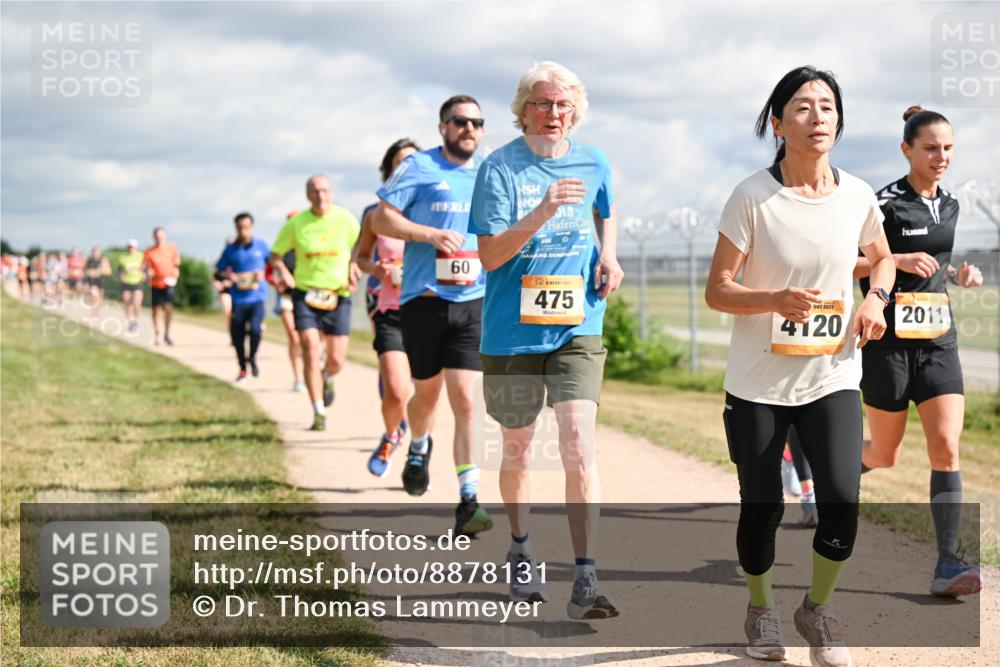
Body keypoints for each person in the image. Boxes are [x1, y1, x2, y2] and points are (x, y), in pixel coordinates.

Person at [704, 66, 895, 666]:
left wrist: (875, 298)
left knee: (842, 497)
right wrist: (772, 300)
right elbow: (718, 290)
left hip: (833, 375)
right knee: (762, 506)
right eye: (804, 107)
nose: (818, 118)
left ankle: (817, 608)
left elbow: (882, 259)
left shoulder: (859, 194)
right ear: (778, 122)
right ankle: (761, 610)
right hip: (758, 384)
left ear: (839, 120)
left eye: (828, 107)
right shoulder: (752, 196)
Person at [470, 61, 625, 619]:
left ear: (575, 109)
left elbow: (605, 209)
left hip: (577, 324)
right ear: (523, 109)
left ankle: (586, 576)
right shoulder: (499, 169)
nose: (553, 113)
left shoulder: (595, 159)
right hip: (511, 334)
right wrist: (542, 210)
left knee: (579, 441)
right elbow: (489, 256)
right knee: (517, 448)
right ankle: (520, 544)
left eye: (563, 104)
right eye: (542, 103)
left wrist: (609, 255)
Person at [857, 106, 984, 599]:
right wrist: (892, 260)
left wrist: (958, 276)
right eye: (931, 147)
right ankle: (826, 475)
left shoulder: (950, 204)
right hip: (888, 346)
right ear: (907, 149)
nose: (941, 157)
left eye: (948, 148)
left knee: (946, 447)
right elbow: (850, 264)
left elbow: (936, 267)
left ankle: (947, 564)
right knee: (883, 455)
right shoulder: (882, 203)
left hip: (938, 343)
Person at [372, 95, 492, 537]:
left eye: (477, 123)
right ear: (443, 127)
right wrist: (428, 235)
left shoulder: (488, 172)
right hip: (423, 300)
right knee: (425, 399)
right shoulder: (418, 167)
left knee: (465, 398)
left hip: (472, 299)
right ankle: (418, 446)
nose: (470, 129)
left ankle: (468, 499)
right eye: (461, 121)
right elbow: (382, 221)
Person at [271, 175, 361, 431]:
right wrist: (284, 273)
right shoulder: (296, 223)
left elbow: (362, 246)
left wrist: (354, 265)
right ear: (307, 195)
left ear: (331, 192)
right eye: (314, 191)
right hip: (305, 293)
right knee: (310, 348)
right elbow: (276, 254)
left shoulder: (346, 219)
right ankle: (318, 410)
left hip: (338, 293)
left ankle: (328, 376)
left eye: (324, 190)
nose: (320, 196)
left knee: (337, 359)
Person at [355, 138, 420, 477]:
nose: (406, 167)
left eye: (413, 160)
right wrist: (375, 268)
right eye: (399, 162)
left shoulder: (435, 207)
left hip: (430, 307)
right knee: (396, 390)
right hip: (389, 305)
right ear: (389, 169)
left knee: (424, 393)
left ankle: (418, 453)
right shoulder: (376, 213)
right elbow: (361, 257)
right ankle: (392, 434)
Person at [216, 213, 270, 382]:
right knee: (237, 335)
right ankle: (242, 368)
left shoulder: (261, 246)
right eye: (240, 228)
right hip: (238, 299)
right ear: (236, 228)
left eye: (246, 227)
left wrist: (263, 274)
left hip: (257, 298)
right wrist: (228, 276)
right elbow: (219, 270)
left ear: (251, 227)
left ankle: (252, 356)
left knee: (255, 329)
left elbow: (273, 265)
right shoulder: (230, 250)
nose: (243, 231)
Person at [266, 211, 305, 393]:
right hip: (287, 298)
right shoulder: (281, 249)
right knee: (294, 338)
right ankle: (298, 378)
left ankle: (312, 371)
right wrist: (277, 283)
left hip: (309, 298)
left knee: (311, 340)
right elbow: (268, 271)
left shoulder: (308, 246)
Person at [143, 227, 181, 346]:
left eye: (161, 236)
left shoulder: (172, 249)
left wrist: (175, 275)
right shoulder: (149, 251)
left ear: (165, 236)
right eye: (157, 236)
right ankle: (156, 334)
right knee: (155, 309)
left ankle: (167, 334)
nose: (159, 238)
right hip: (154, 284)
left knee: (168, 307)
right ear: (154, 237)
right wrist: (148, 273)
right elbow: (145, 268)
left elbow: (176, 266)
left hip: (168, 283)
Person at [119, 239, 145, 332]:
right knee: (127, 303)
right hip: (126, 283)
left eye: (133, 247)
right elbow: (120, 270)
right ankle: (131, 322)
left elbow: (145, 268)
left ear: (136, 247)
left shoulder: (141, 256)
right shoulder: (123, 257)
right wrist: (120, 276)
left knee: (136, 303)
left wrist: (144, 275)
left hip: (137, 282)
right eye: (129, 247)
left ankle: (137, 321)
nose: (131, 249)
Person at [213, 236, 236, 328]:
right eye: (228, 244)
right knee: (228, 310)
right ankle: (231, 333)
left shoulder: (239, 259)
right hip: (225, 291)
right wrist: (217, 283)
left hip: (237, 291)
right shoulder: (222, 261)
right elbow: (215, 277)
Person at [83, 245, 112, 316]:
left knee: (99, 297)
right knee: (93, 294)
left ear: (100, 253)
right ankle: (93, 313)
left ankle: (97, 311)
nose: (95, 253)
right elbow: (85, 270)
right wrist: (88, 273)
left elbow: (109, 272)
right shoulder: (89, 261)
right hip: (92, 281)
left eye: (97, 252)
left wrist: (100, 271)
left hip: (101, 281)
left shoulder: (103, 260)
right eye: (94, 252)